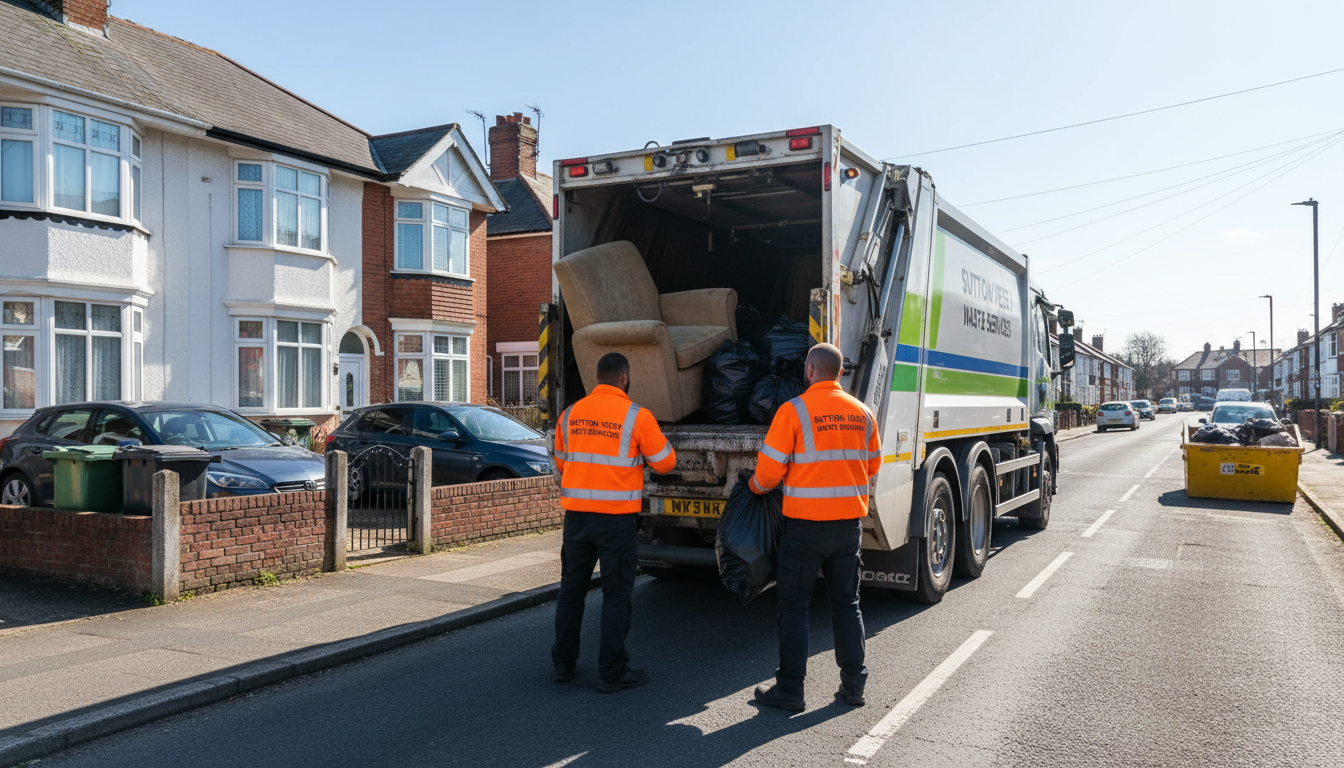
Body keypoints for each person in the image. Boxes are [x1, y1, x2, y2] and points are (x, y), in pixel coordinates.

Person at [748, 343, 881, 711]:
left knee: (794, 607)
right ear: (841, 373)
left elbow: (770, 471)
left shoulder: (793, 412)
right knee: (846, 604)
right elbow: (872, 466)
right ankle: (853, 686)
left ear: (808, 371)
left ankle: (791, 690)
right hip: (847, 528)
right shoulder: (863, 413)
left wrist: (754, 488)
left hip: (804, 528)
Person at [551, 352, 676, 693]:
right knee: (616, 595)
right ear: (625, 378)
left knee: (571, 589)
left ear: (597, 377)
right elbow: (665, 462)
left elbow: (562, 463)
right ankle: (612, 671)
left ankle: (563, 663)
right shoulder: (637, 416)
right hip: (616, 519)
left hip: (576, 519)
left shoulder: (571, 413)